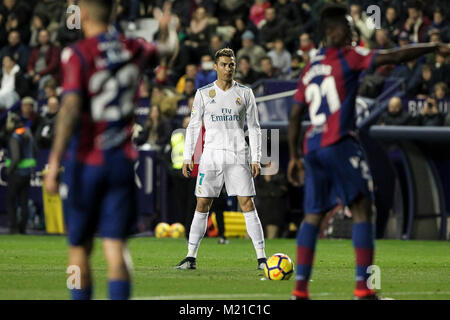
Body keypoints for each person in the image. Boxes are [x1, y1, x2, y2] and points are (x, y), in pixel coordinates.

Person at [288, 3, 450, 300]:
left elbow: (296, 115)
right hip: (339, 143)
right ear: (332, 32)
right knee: (364, 209)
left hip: (312, 147)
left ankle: (299, 290)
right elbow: (394, 56)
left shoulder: (310, 67)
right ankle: (363, 289)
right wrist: (433, 46)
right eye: (348, 29)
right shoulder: (348, 56)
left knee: (313, 215)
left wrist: (295, 156)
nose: (352, 34)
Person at [44, 0, 161, 300]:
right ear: (114, 12)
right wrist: (165, 25)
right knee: (116, 248)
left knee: (78, 248)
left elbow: (70, 109)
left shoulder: (78, 54)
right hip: (121, 161)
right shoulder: (134, 48)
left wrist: (54, 161)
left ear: (81, 14)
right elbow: (162, 51)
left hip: (86, 163)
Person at [175, 48, 266, 270]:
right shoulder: (203, 93)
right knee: (202, 204)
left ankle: (262, 258)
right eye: (224, 64)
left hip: (238, 155)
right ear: (215, 67)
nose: (228, 68)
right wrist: (189, 156)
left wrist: (256, 158)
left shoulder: (245, 93)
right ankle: (190, 257)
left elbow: (254, 127)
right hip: (211, 156)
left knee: (247, 203)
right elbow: (194, 126)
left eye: (231, 64)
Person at [5, 112, 36, 234]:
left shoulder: (15, 136)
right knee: (24, 201)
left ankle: (13, 227)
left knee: (11, 200)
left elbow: (16, 157)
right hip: (27, 173)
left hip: (16, 173)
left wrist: (9, 170)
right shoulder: (29, 134)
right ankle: (23, 228)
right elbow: (36, 151)